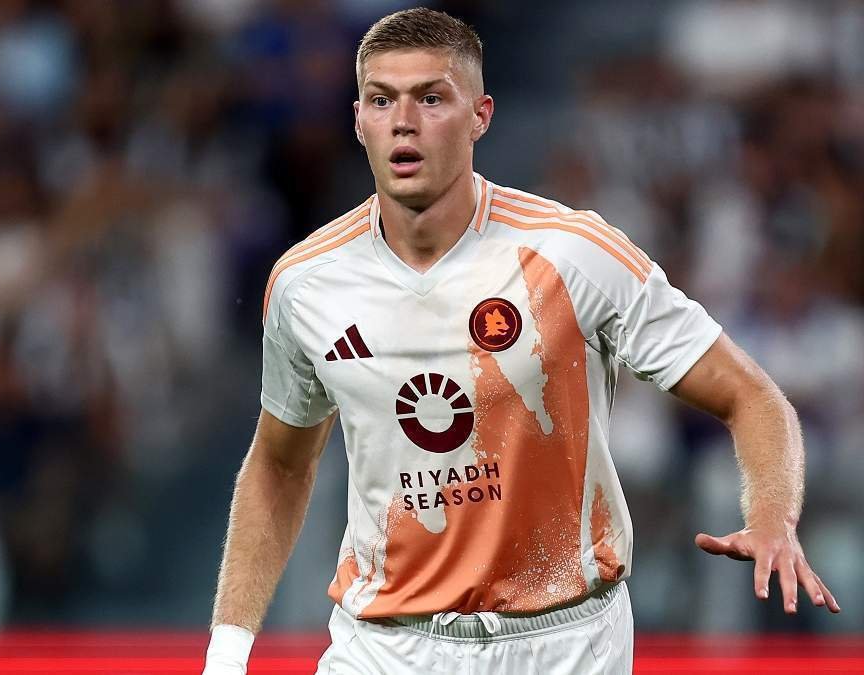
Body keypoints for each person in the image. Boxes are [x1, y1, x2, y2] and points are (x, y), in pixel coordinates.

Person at [203, 7, 840, 674]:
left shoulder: (573, 253)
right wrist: (226, 652)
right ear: (359, 120)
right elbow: (278, 465)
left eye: (431, 98)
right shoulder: (307, 284)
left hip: (565, 640)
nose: (404, 121)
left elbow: (750, 394)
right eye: (383, 100)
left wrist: (772, 517)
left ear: (481, 116)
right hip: (387, 645)